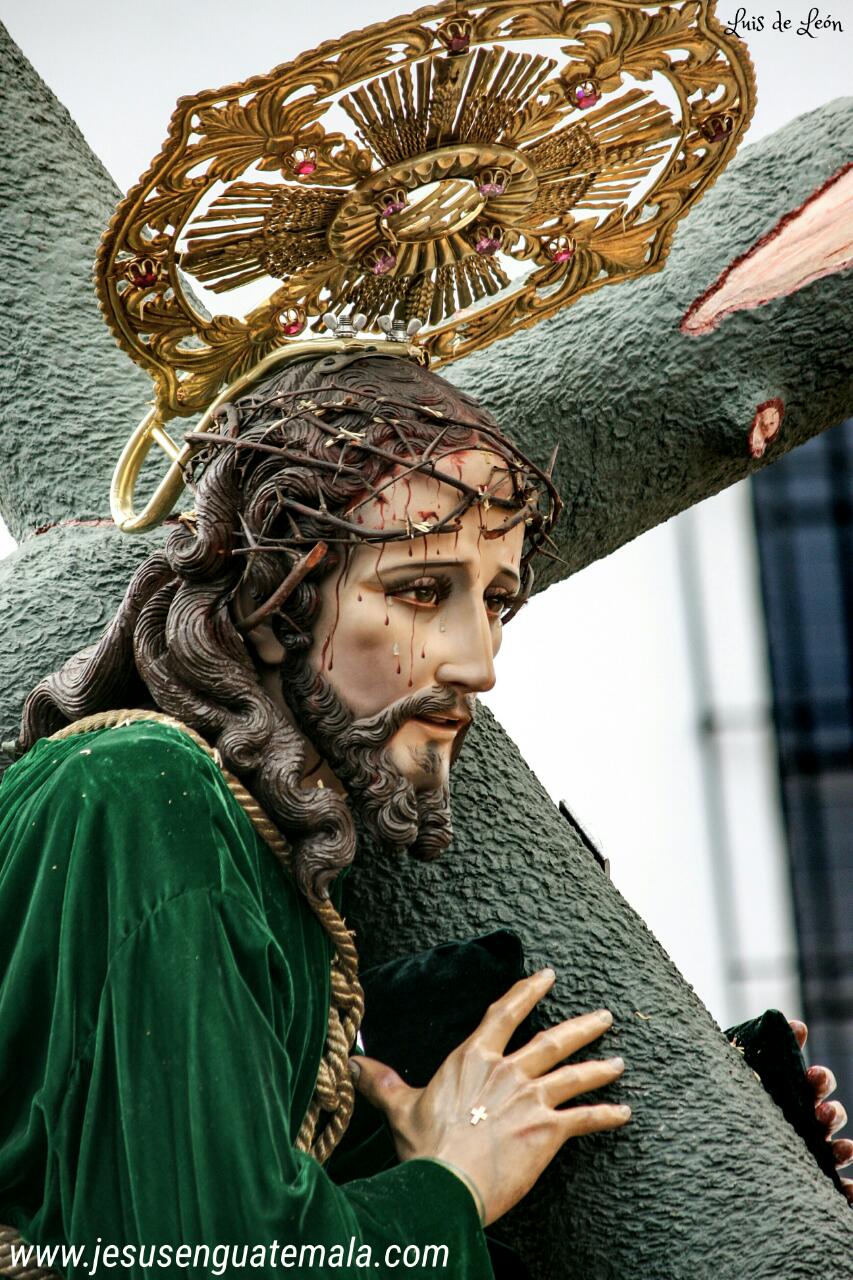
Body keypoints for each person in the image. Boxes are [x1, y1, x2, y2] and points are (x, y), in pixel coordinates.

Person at [0, 351, 633, 1279]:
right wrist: (451, 1184)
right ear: (270, 602)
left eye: (496, 601)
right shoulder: (143, 796)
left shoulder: (231, 843)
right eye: (421, 591)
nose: (479, 663)